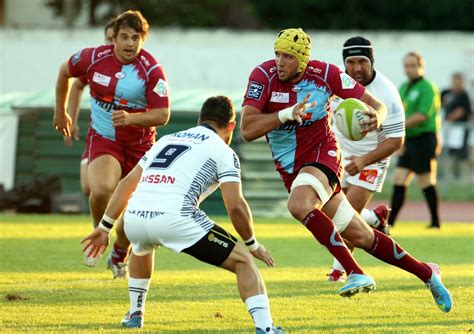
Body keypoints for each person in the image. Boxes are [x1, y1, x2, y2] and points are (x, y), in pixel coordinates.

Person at [241, 28, 452, 312]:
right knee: (362, 236)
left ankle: (354, 271)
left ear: (302, 60)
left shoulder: (325, 74)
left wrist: (376, 116)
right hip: (291, 169)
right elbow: (247, 130)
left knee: (298, 204)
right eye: (278, 54)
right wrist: (285, 114)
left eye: (288, 56)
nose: (280, 61)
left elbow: (375, 104)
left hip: (323, 156)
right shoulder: (262, 76)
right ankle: (428, 273)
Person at [81, 96, 285, 333]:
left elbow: (127, 183)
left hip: (134, 218)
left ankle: (135, 313)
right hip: (175, 217)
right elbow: (236, 206)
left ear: (199, 119)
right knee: (243, 261)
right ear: (231, 126)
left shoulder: (166, 139)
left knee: (142, 246)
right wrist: (252, 244)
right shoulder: (223, 150)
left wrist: (105, 227)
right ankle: (266, 328)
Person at [54, 10, 170, 278]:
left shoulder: (151, 70)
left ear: (143, 40)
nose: (130, 43)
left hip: (141, 147)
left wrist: (131, 118)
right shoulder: (94, 57)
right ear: (113, 38)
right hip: (104, 138)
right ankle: (100, 230)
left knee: (132, 222)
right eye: (125, 37)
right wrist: (61, 112)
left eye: (136, 38)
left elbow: (163, 115)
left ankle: (120, 251)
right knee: (101, 188)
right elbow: (64, 73)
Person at [325, 36, 406, 282]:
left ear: (372, 61)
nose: (357, 68)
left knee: (346, 216)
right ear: (344, 63)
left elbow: (395, 141)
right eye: (351, 62)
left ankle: (339, 271)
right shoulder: (338, 83)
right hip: (341, 157)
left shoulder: (387, 93)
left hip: (372, 159)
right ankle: (376, 218)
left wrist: (363, 160)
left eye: (362, 61)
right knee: (332, 214)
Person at [388, 52, 442, 229]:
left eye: (412, 65)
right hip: (409, 140)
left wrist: (398, 126)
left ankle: (435, 222)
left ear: (421, 66)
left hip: (424, 139)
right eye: (406, 66)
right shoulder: (404, 87)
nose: (409, 69)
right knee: (398, 178)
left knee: (425, 180)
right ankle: (389, 223)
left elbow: (422, 115)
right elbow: (396, 112)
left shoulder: (427, 87)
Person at [63, 18, 116, 198]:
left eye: (115, 38)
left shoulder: (137, 67)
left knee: (116, 188)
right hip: (100, 135)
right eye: (108, 39)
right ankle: (102, 222)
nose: (112, 43)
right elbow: (76, 85)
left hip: (129, 139)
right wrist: (71, 119)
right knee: (89, 187)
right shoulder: (97, 63)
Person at [441, 72, 472, 179]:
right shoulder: (446, 93)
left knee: (462, 153)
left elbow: (462, 111)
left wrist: (448, 119)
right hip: (448, 128)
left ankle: (464, 174)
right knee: (448, 152)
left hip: (460, 129)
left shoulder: (464, 95)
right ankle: (449, 175)